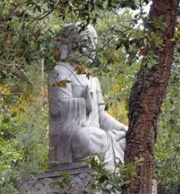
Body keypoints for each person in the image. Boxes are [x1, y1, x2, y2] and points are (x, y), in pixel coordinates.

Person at [48, 23, 127, 171]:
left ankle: (109, 143)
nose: (90, 49)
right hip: (73, 135)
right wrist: (84, 103)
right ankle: (106, 144)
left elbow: (101, 115)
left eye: (93, 44)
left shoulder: (92, 79)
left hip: (97, 133)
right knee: (86, 138)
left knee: (128, 139)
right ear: (69, 45)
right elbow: (56, 110)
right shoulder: (60, 72)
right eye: (85, 43)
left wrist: (124, 128)